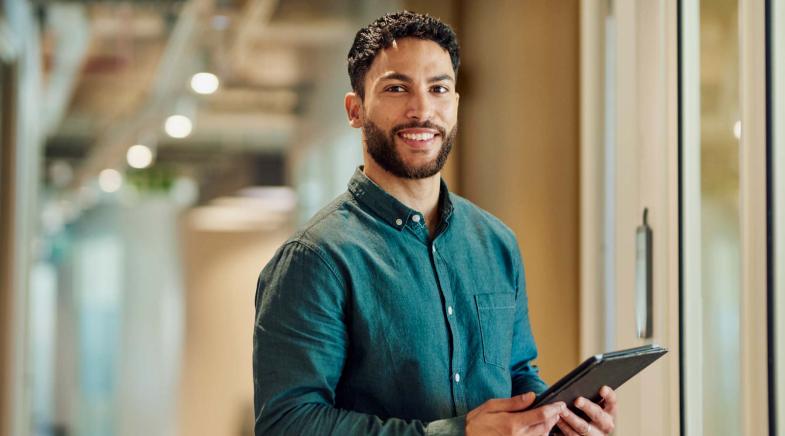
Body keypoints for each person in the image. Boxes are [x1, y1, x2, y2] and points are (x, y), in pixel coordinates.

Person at [253, 11, 617, 436]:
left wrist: (560, 422)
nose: (422, 109)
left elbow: (519, 375)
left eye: (438, 88)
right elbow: (288, 423)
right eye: (396, 88)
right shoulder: (315, 259)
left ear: (455, 105)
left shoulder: (496, 242)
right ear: (355, 109)